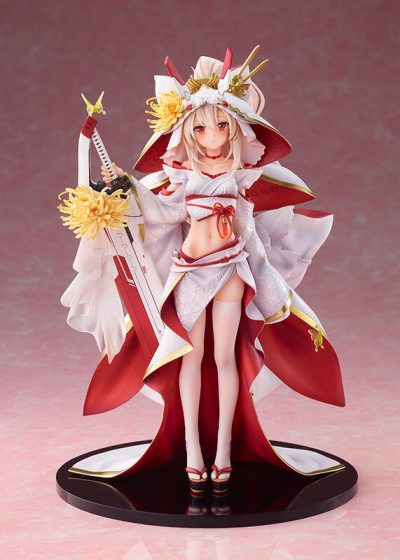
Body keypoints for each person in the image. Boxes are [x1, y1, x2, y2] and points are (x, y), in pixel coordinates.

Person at [62, 47, 345, 495]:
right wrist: (125, 186)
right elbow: (162, 214)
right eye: (200, 127)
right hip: (190, 272)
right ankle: (193, 449)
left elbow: (250, 237)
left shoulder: (241, 177)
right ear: (188, 134)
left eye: (220, 126)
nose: (212, 136)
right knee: (189, 359)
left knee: (225, 358)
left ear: (234, 129)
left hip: (230, 271)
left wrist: (269, 283)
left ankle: (224, 450)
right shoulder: (185, 176)